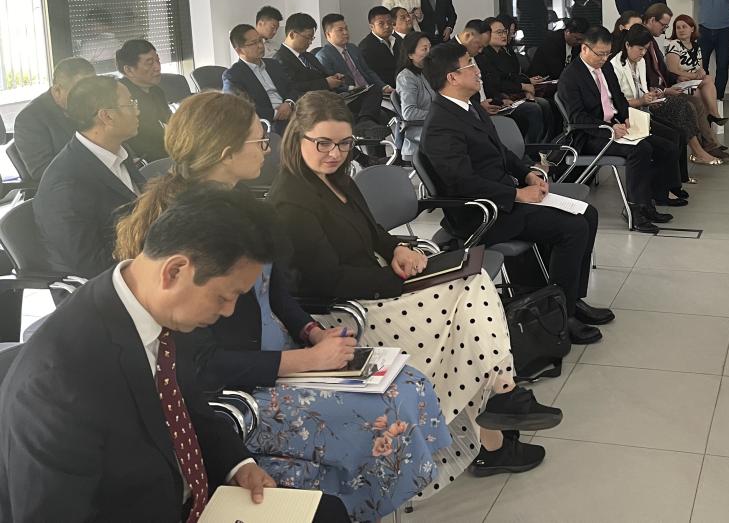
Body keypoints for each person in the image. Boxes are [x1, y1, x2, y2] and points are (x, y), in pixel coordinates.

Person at [112, 92, 451, 516]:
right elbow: (199, 364)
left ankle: (373, 502)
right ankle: (358, 507)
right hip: (241, 385)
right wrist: (306, 361)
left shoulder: (240, 204)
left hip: (280, 355)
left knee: (409, 382)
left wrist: (312, 332)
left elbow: (273, 290)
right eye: (259, 141)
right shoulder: (188, 235)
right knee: (386, 407)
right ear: (225, 152)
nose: (267, 148)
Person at [0, 183, 352, 523]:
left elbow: (189, 407)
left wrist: (238, 465)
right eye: (224, 296)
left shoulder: (160, 310)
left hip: (196, 498)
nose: (229, 311)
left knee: (328, 512)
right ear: (174, 271)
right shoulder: (58, 382)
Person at [270, 91, 559, 482]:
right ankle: (502, 408)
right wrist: (400, 278)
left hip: (373, 285)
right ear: (298, 137)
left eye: (343, 143)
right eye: (323, 143)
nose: (334, 153)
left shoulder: (336, 179)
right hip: (344, 310)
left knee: (471, 297)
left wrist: (397, 249)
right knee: (469, 311)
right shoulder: (292, 201)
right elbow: (326, 278)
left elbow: (373, 231)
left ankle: (499, 413)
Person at [420, 43, 610, 341]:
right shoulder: (440, 124)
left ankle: (571, 299)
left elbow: (501, 152)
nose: (478, 70)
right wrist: (518, 195)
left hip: (504, 197)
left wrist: (527, 173)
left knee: (588, 214)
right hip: (482, 212)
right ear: (452, 77)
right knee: (572, 228)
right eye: (470, 64)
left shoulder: (469, 107)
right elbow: (462, 183)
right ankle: (560, 316)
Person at [557, 26, 683, 233]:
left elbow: (618, 98)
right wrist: (609, 128)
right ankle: (635, 209)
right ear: (584, 49)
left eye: (607, 54)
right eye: (600, 54)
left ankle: (652, 200)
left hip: (617, 126)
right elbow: (576, 117)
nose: (604, 59)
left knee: (666, 146)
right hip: (591, 134)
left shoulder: (606, 68)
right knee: (641, 150)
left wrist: (626, 118)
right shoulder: (570, 76)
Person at [34, 75, 146, 278]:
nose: (137, 111)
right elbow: (90, 265)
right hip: (116, 281)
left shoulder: (118, 152)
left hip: (148, 260)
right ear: (107, 116)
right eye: (130, 104)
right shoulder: (66, 183)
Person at [612, 23, 710, 179]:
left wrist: (652, 96)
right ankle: (669, 182)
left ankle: (679, 180)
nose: (643, 53)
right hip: (628, 117)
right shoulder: (615, 67)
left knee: (679, 133)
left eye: (646, 49)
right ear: (627, 45)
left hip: (643, 112)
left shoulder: (640, 62)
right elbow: (617, 104)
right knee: (671, 136)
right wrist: (642, 100)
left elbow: (642, 90)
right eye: (640, 49)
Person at [642, 5, 729, 162]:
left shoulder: (653, 42)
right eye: (665, 25)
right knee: (691, 103)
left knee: (704, 87)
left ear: (692, 29)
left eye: (684, 27)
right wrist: (671, 85)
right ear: (651, 20)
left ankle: (710, 141)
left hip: (668, 86)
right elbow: (665, 72)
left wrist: (694, 74)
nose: (665, 30)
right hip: (658, 92)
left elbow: (663, 72)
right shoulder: (662, 44)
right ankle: (701, 149)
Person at [12, 55, 95, 184]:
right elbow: (43, 171)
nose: (89, 98)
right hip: (71, 187)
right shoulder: (29, 120)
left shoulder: (93, 105)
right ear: (57, 90)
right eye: (81, 93)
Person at [477, 15, 554, 142]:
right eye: (499, 32)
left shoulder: (504, 52)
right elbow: (495, 84)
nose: (504, 35)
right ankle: (528, 148)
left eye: (505, 32)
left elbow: (513, 76)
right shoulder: (483, 55)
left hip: (512, 94)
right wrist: (522, 88)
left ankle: (543, 146)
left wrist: (526, 88)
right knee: (533, 109)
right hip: (497, 98)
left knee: (544, 104)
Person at [315, 13, 391, 131]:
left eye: (346, 28)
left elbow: (367, 71)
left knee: (384, 104)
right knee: (378, 108)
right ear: (328, 34)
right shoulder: (323, 56)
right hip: (349, 97)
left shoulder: (353, 48)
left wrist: (384, 86)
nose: (345, 32)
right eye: (340, 30)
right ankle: (365, 121)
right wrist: (351, 88)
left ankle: (366, 122)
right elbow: (331, 85)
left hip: (367, 92)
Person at [222, 24, 296, 132]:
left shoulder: (273, 64)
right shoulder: (233, 76)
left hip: (291, 112)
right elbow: (242, 108)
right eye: (253, 43)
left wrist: (289, 103)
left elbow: (292, 88)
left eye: (260, 40)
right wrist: (277, 114)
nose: (261, 46)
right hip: (268, 123)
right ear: (239, 50)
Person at [665, 14, 729, 131]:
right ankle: (712, 117)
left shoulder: (696, 46)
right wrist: (694, 75)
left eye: (684, 27)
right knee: (701, 89)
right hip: (680, 82)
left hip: (693, 81)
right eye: (678, 28)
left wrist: (700, 71)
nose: (681, 30)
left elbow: (699, 67)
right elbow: (673, 69)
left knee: (707, 80)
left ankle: (709, 120)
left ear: (692, 29)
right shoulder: (674, 44)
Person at [116, 39, 171, 163]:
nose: (157, 67)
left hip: (168, 151)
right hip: (143, 161)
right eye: (150, 63)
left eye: (158, 61)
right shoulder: (120, 97)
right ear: (128, 70)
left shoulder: (156, 91)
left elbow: (169, 122)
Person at [273, 12, 346, 98]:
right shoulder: (279, 60)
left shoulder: (309, 56)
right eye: (308, 37)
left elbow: (323, 76)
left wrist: (334, 78)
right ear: (292, 35)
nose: (310, 42)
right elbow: (292, 88)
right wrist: (325, 83)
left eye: (312, 38)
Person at [395, 31, 434, 158]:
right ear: (410, 54)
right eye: (424, 49)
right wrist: (438, 115)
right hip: (420, 134)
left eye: (430, 47)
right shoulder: (406, 77)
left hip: (434, 127)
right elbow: (409, 113)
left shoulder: (425, 73)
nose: (429, 52)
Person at [358, 5, 399, 87]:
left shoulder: (397, 40)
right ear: (371, 26)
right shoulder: (366, 47)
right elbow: (372, 76)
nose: (387, 26)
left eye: (389, 22)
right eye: (381, 23)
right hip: (385, 89)